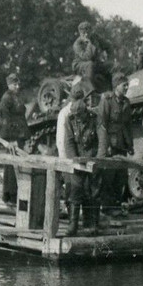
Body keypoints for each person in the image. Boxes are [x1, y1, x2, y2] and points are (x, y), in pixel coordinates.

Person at [63, 80, 101, 235]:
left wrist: (97, 159)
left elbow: (101, 140)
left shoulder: (94, 118)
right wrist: (75, 161)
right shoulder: (69, 120)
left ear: (85, 112)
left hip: (92, 159)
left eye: (81, 116)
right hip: (78, 161)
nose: (78, 119)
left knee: (93, 192)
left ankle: (91, 224)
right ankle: (73, 225)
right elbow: (69, 142)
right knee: (76, 191)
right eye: (76, 116)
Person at [96, 72, 134, 205]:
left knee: (121, 176)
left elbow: (128, 125)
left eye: (127, 85)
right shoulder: (107, 100)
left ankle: (116, 205)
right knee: (109, 176)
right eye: (124, 85)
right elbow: (102, 125)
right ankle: (107, 207)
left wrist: (130, 145)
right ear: (117, 85)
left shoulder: (126, 102)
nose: (126, 87)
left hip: (121, 144)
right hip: (110, 144)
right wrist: (105, 146)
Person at [0, 73, 29, 206]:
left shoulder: (16, 97)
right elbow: (5, 119)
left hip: (19, 136)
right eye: (15, 84)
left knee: (16, 165)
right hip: (12, 138)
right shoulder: (6, 99)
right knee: (11, 167)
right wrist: (9, 140)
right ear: (9, 85)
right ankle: (10, 196)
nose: (17, 86)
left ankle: (13, 195)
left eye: (18, 83)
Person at [71, 21, 112, 90]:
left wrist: (109, 58)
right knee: (90, 64)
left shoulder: (95, 37)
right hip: (80, 64)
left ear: (91, 31)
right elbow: (87, 57)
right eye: (83, 33)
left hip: (95, 63)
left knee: (111, 65)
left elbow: (108, 46)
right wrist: (90, 43)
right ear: (80, 33)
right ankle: (89, 90)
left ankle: (113, 87)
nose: (86, 35)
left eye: (88, 32)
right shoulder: (77, 44)